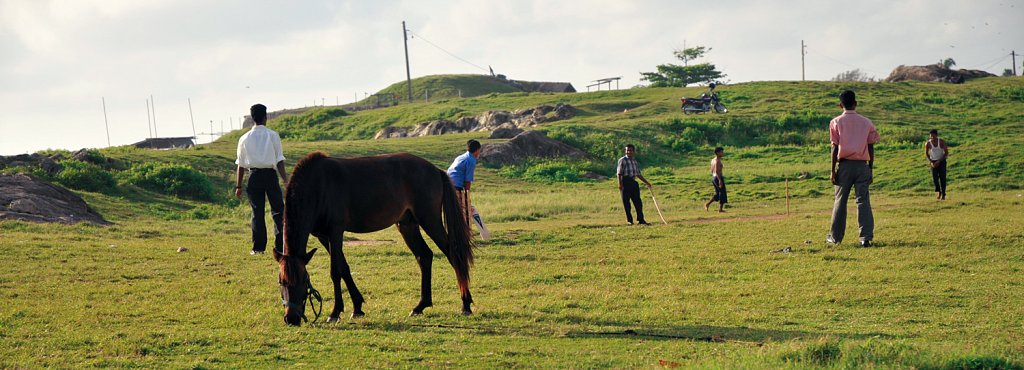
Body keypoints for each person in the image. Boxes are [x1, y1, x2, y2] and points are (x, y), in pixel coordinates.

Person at [827, 90, 880, 247]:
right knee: (863, 201)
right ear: (855, 103)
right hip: (862, 165)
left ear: (840, 105)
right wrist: (870, 168)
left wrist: (833, 170)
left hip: (844, 165)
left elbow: (834, 148)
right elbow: (870, 147)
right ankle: (865, 238)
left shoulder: (836, 122)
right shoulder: (866, 122)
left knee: (840, 201)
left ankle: (835, 238)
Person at [235, 104, 288, 255]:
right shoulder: (272, 135)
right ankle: (280, 247)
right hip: (270, 176)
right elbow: (279, 160)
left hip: (254, 177)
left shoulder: (244, 138)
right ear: (266, 117)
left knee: (257, 213)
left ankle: (258, 248)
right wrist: (285, 180)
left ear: (252, 118)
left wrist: (238, 186)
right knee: (278, 211)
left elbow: (240, 165)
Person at [447, 139, 481, 229]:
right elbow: (467, 181)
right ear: (477, 150)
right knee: (464, 209)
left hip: (447, 183)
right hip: (456, 186)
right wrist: (467, 196)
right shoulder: (471, 160)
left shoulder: (461, 157)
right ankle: (465, 229)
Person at [616, 144, 653, 225]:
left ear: (633, 151)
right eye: (627, 150)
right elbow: (619, 173)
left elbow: (638, 174)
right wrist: (620, 184)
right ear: (625, 151)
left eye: (630, 150)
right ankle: (629, 221)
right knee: (626, 203)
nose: (628, 152)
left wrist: (647, 183)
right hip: (625, 182)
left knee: (638, 202)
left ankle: (641, 220)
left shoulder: (634, 161)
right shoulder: (622, 160)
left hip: (633, 182)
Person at [925, 129, 949, 200]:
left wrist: (939, 161)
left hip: (941, 161)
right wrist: (931, 162)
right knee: (935, 178)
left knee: (943, 178)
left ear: (937, 135)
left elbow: (946, 153)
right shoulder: (928, 143)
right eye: (931, 136)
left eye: (933, 136)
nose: (932, 138)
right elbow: (927, 153)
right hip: (933, 162)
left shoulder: (941, 142)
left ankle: (943, 194)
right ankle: (939, 191)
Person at [704, 147, 727, 212]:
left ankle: (707, 204)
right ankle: (720, 209)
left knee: (718, 193)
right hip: (718, 177)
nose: (723, 153)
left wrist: (715, 177)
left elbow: (712, 170)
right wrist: (720, 180)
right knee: (722, 193)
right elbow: (717, 171)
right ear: (718, 153)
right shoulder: (717, 161)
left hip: (714, 178)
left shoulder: (713, 160)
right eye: (721, 152)